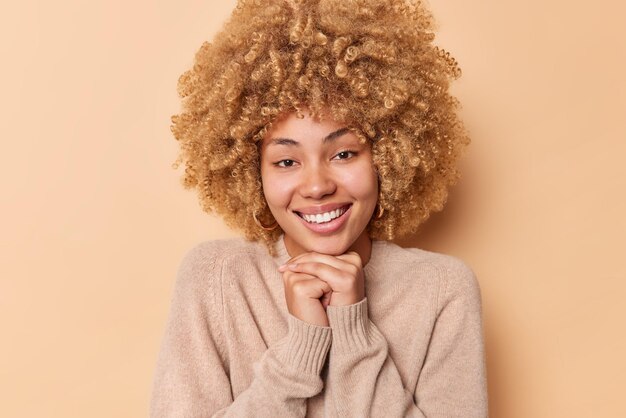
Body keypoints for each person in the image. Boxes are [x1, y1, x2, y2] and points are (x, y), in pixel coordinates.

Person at [150, 0, 488, 416]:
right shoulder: (217, 279)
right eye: (286, 161)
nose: (317, 186)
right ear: (252, 172)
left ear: (388, 157)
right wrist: (301, 350)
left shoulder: (442, 290)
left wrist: (353, 331)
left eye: (344, 154)